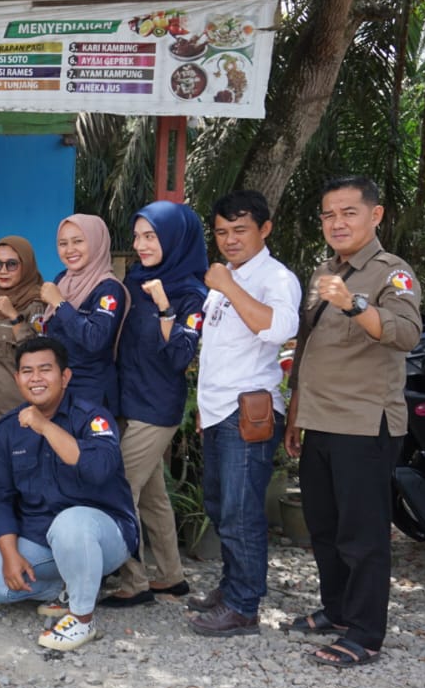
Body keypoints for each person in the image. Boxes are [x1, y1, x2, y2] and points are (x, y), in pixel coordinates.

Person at [283, 176, 421, 667]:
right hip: (320, 419)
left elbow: (406, 334)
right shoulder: (324, 271)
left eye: (348, 212)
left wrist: (355, 304)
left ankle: (365, 633)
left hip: (365, 424)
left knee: (362, 535)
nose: (337, 223)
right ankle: (338, 609)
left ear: (375, 215)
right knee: (324, 527)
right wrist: (296, 413)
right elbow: (310, 348)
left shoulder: (392, 272)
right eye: (328, 214)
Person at [0, 337, 139, 651]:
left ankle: (82, 619)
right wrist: (9, 554)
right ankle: (65, 589)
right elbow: (3, 498)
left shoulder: (92, 418)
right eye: (27, 371)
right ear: (17, 378)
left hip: (103, 536)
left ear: (65, 376)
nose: (36, 378)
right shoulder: (7, 430)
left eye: (45, 369)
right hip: (42, 537)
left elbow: (98, 470)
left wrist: (45, 427)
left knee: (70, 523)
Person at [185, 190, 301, 636]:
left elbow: (278, 329)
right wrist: (204, 409)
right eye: (221, 232)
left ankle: (243, 606)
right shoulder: (226, 278)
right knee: (220, 505)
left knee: (240, 511)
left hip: (248, 413)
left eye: (240, 230)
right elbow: (219, 352)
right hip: (219, 412)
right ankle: (233, 586)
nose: (230, 239)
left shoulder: (275, 277)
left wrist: (228, 287)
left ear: (265, 229)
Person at [101, 201, 208, 607]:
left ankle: (135, 582)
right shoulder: (134, 281)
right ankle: (170, 576)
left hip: (157, 407)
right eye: (137, 236)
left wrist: (165, 307)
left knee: (120, 488)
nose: (140, 245)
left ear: (175, 239)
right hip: (127, 400)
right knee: (151, 496)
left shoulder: (191, 293)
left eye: (150, 236)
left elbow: (181, 356)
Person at [38, 214, 126, 414]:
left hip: (91, 395)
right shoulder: (63, 279)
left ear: (96, 242)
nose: (69, 250)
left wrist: (60, 304)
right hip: (60, 390)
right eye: (63, 243)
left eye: (78, 241)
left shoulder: (108, 289)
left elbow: (95, 339)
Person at [0, 236, 46, 434]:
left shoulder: (36, 305)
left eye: (12, 264)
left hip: (21, 416)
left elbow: (39, 355)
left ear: (26, 265)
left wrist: (14, 316)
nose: (3, 271)